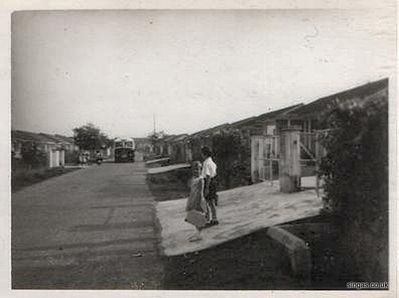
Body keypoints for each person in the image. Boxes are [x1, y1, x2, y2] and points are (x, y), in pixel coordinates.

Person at [185, 161, 207, 242]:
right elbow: (190, 188)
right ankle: (197, 232)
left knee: (198, 217)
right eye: (194, 170)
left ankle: (199, 234)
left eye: (198, 169)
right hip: (192, 198)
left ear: (201, 170)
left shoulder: (201, 180)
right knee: (193, 216)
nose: (196, 171)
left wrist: (200, 202)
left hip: (198, 200)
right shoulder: (193, 179)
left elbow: (201, 193)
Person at [201, 146, 219, 226]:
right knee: (212, 202)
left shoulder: (206, 163)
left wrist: (206, 188)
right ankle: (214, 219)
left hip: (208, 182)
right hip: (213, 181)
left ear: (204, 154)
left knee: (206, 202)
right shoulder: (212, 162)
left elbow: (207, 176)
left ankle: (207, 220)